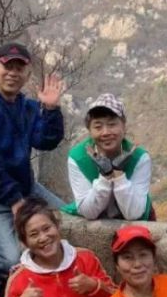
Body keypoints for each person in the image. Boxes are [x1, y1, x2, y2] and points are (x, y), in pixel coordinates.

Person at [0, 41, 66, 297]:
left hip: (24, 189)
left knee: (68, 220)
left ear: (27, 74)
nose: (13, 73)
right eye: (8, 66)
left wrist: (51, 110)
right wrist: (15, 201)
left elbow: (46, 141)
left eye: (19, 68)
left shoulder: (26, 107)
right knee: (10, 260)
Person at [63, 93, 154, 221]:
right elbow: (88, 212)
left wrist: (119, 175)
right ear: (89, 131)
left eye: (112, 125)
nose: (105, 132)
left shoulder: (140, 158)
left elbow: (134, 214)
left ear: (123, 126)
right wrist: (105, 177)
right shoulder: (78, 158)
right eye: (98, 127)